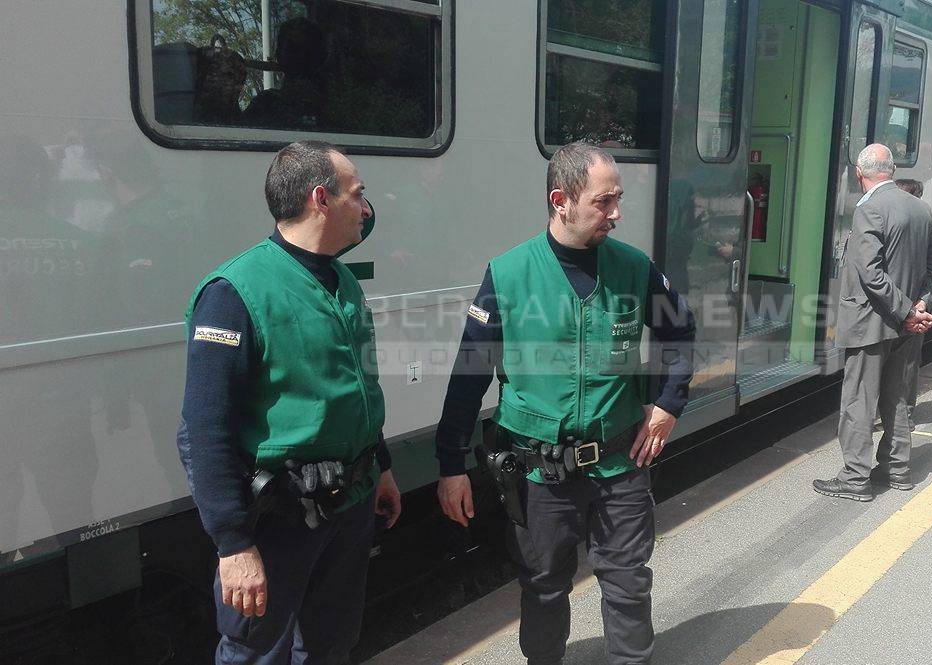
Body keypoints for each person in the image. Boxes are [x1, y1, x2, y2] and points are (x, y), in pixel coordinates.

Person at [435, 141, 696, 665]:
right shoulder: (507, 275)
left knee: (627, 585)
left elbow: (680, 331)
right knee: (544, 588)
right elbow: (470, 374)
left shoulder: (633, 268)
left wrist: (668, 403)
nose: (616, 214)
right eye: (604, 202)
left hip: (620, 464)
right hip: (538, 474)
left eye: (617, 199)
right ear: (561, 200)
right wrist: (450, 465)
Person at [177, 140, 401, 664]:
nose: (366, 209)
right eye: (358, 194)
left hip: (349, 503)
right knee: (257, 653)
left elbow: (356, 387)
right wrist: (233, 544)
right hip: (280, 519)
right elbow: (203, 430)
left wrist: (381, 466)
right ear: (321, 199)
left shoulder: (340, 277)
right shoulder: (234, 292)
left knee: (332, 646)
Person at [814, 144, 932, 501]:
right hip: (908, 325)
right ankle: (896, 470)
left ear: (859, 171)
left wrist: (905, 311)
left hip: (872, 322)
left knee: (859, 401)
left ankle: (855, 478)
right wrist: (919, 306)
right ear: (893, 169)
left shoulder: (870, 208)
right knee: (898, 398)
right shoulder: (920, 207)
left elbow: (870, 273)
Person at [894, 177, 928, 430]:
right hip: (894, 307)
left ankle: (904, 413)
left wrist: (922, 303)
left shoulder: (922, 227)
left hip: (911, 308)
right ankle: (895, 411)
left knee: (907, 363)